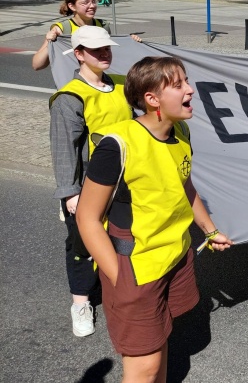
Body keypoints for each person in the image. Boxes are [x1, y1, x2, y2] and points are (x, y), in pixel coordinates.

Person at [76, 56, 233, 382]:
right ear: (152, 99)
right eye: (179, 85)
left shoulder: (181, 132)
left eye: (187, 81)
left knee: (159, 349)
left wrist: (210, 230)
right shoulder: (116, 145)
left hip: (174, 258)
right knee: (144, 368)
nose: (191, 90)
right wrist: (118, 275)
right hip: (134, 267)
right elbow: (87, 218)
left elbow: (185, 186)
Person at [48, 26, 135, 337]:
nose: (104, 53)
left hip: (124, 183)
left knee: (123, 240)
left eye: (107, 48)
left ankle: (119, 292)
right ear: (80, 55)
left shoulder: (123, 84)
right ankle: (81, 303)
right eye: (96, 50)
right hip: (88, 187)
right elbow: (63, 150)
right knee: (82, 246)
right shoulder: (70, 97)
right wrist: (71, 193)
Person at [32, 0, 141, 71]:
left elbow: (112, 54)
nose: (92, 6)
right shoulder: (62, 29)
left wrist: (129, 41)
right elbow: (37, 65)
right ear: (71, 6)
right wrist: (49, 42)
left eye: (93, 1)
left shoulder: (102, 26)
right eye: (85, 3)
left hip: (98, 83)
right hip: (72, 84)